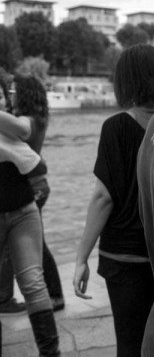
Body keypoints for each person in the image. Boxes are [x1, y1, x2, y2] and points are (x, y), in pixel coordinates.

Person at [72, 45, 154, 356]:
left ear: (124, 81)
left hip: (124, 258)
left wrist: (80, 259)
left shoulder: (115, 128)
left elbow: (103, 197)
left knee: (130, 342)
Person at [0, 79, 60, 356]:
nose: (7, 96)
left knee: (33, 282)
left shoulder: (19, 122)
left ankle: (51, 352)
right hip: (26, 198)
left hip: (24, 204)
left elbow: (36, 161)